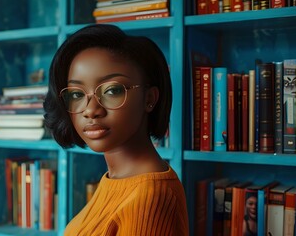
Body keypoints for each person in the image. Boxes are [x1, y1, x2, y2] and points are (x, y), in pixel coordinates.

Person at [44, 24, 189, 235]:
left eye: (112, 90)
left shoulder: (150, 197)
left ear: (149, 99)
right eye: (76, 94)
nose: (90, 110)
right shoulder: (116, 180)